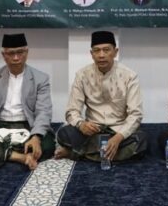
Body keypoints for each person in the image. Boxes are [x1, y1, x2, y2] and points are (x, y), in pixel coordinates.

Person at [55, 31, 147, 162]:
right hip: (92, 131)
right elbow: (71, 111)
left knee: (141, 140)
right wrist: (81, 124)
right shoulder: (82, 75)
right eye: (96, 51)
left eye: (106, 50)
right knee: (64, 133)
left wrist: (118, 137)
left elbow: (136, 114)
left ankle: (77, 153)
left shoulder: (130, 76)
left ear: (115, 52)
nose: (101, 55)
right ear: (91, 54)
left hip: (118, 129)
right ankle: (106, 153)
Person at [0, 33, 55, 169]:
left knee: (48, 145)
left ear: (27, 52)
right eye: (11, 53)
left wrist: (36, 138)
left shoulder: (41, 78)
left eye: (20, 52)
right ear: (3, 55)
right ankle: (20, 157)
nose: (16, 58)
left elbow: (44, 111)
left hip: (27, 125)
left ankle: (0, 152)